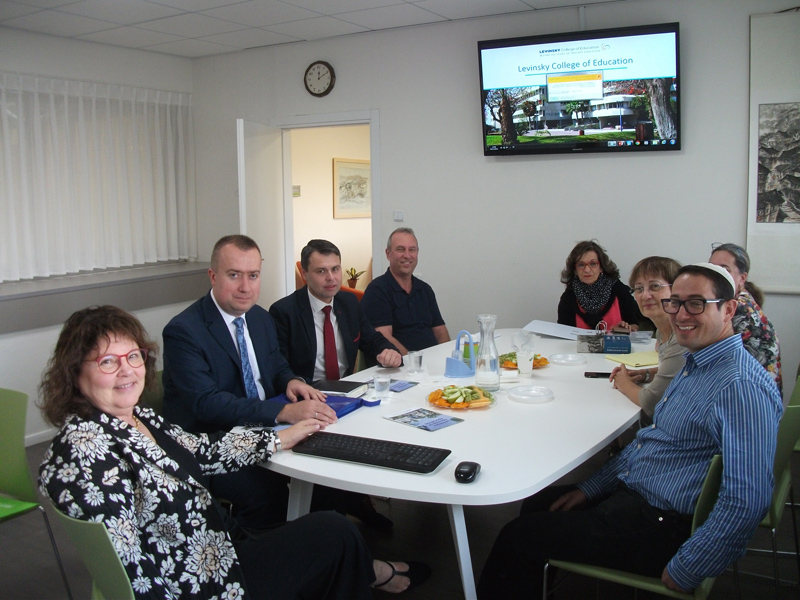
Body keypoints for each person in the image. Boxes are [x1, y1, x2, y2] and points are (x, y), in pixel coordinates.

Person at [37, 306, 431, 599]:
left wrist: (280, 437)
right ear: (75, 372)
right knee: (337, 534)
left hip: (218, 547)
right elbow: (125, 565)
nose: (126, 371)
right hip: (201, 583)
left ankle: (363, 572)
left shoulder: (138, 417)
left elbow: (203, 449)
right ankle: (367, 573)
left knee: (332, 528)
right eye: (108, 362)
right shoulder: (85, 449)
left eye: (133, 356)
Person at [477, 263, 782, 599]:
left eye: (696, 303)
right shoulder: (696, 362)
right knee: (541, 504)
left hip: (662, 524)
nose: (681, 314)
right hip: (640, 494)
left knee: (517, 537)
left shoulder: (739, 386)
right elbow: (647, 446)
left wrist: (690, 566)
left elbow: (748, 499)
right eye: (675, 302)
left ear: (728, 309)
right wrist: (592, 488)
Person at [162, 234, 337, 530]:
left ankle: (320, 550)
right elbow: (207, 404)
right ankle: (261, 560)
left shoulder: (259, 318)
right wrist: (282, 412)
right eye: (234, 275)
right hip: (214, 442)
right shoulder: (183, 332)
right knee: (267, 493)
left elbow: (276, 367)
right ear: (213, 276)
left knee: (328, 470)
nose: (246, 287)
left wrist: (290, 381)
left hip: (267, 429)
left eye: (253, 276)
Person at [269, 238, 402, 382]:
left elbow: (372, 340)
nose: (331, 278)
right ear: (304, 274)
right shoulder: (284, 312)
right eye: (321, 271)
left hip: (347, 388)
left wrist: (389, 352)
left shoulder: (349, 303)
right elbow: (279, 367)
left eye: (335, 269)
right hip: (308, 392)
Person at [609, 256, 687, 422]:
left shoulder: (683, 336)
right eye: (639, 289)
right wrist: (645, 374)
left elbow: (652, 403)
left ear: (677, 290)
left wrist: (625, 383)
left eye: (655, 286)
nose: (645, 295)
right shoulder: (661, 330)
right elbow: (680, 373)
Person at [361, 227, 450, 353]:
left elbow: (440, 331)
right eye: (400, 249)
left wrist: (446, 355)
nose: (407, 255)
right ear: (388, 254)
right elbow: (384, 337)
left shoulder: (425, 290)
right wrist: (413, 362)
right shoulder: (377, 290)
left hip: (431, 363)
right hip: (399, 367)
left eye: (412, 250)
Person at [709, 242, 782, 393]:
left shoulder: (738, 307)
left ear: (742, 278)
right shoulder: (742, 299)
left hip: (751, 398)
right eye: (711, 269)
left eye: (724, 269)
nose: (714, 275)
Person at [557, 240, 644, 331]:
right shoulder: (568, 297)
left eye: (593, 264)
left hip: (616, 344)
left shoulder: (619, 290)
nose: (587, 270)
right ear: (575, 270)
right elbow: (563, 333)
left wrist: (625, 330)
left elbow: (635, 325)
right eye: (581, 265)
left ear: (601, 267)